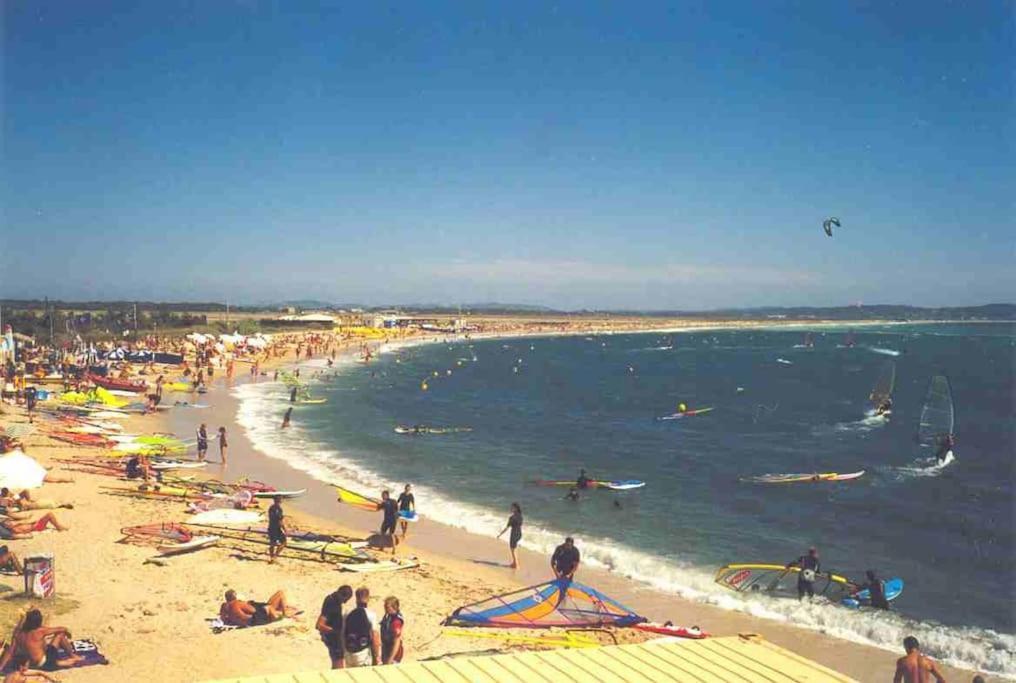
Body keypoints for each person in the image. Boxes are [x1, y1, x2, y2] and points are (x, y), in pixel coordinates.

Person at [0, 609, 83, 672]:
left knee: (43, 643)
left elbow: (10, 651)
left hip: (30, 663)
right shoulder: (40, 631)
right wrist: (68, 633)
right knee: (60, 635)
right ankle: (72, 655)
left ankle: (60, 662)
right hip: (45, 662)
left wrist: (1, 667)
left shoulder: (18, 633)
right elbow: (62, 629)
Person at [342, 587, 380, 668]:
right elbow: (375, 636)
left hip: (349, 653)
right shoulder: (371, 614)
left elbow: (342, 633)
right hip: (363, 654)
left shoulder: (347, 613)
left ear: (356, 598)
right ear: (368, 598)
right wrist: (377, 657)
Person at [316, 585, 353, 669]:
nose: (345, 602)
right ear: (341, 595)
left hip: (334, 637)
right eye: (345, 599)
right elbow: (320, 625)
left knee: (336, 663)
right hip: (333, 639)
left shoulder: (332, 599)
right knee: (339, 665)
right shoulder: (331, 603)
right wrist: (334, 632)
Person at [219, 589, 292, 627]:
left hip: (248, 621)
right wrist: (246, 603)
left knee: (272, 606)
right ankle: (285, 613)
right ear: (234, 596)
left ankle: (284, 609)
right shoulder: (237, 603)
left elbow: (223, 619)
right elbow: (253, 610)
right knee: (280, 593)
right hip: (256, 620)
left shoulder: (224, 606)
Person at [0, 513, 69, 540]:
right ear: (6, 527)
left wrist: (32, 522)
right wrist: (33, 527)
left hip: (35, 525)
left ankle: (59, 526)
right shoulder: (14, 530)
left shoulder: (14, 526)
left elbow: (25, 523)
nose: (9, 523)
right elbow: (25, 533)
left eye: (8, 522)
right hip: (36, 528)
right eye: (7, 523)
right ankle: (59, 527)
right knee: (49, 515)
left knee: (49, 515)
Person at [497, 502, 523, 569]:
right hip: (519, 534)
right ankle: (514, 563)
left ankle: (516, 565)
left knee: (512, 549)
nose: (511, 508)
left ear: (515, 508)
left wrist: (500, 534)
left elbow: (507, 528)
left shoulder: (512, 518)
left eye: (512, 507)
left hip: (514, 534)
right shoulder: (520, 516)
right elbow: (520, 525)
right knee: (514, 548)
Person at [380, 596, 404, 665]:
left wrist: (390, 659)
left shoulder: (396, 622)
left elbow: (397, 641)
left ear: (394, 607)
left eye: (387, 607)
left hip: (393, 656)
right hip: (387, 650)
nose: (385, 609)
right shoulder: (389, 617)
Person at [268, 495, 287, 564]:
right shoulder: (278, 509)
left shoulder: (271, 508)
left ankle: (272, 558)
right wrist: (284, 529)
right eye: (281, 499)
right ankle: (275, 557)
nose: (282, 500)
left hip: (271, 527)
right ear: (279, 500)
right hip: (277, 528)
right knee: (284, 542)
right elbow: (280, 521)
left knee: (272, 543)